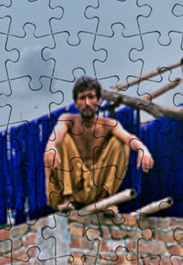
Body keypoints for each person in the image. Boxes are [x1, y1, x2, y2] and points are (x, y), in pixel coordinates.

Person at [43, 75, 155, 211]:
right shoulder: (67, 119)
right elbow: (58, 132)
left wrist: (143, 149)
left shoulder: (109, 124)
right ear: (76, 103)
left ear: (98, 101)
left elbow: (128, 138)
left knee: (120, 143)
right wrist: (51, 147)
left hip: (96, 188)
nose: (87, 102)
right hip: (71, 188)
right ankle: (68, 198)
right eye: (82, 98)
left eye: (91, 97)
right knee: (60, 141)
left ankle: (104, 199)